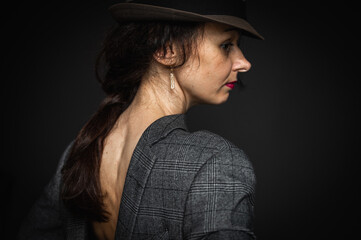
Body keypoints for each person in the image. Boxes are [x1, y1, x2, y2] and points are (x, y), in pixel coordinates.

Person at [18, 0, 263, 239]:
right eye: (226, 45)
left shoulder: (80, 150)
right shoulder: (215, 162)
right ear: (167, 50)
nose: (244, 63)